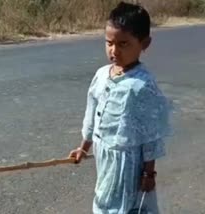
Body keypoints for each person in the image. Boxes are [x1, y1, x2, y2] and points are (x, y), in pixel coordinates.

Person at [69, 2, 172, 213]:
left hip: (127, 162)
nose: (114, 50)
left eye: (123, 44)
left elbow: (150, 134)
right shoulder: (101, 75)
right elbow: (92, 115)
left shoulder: (143, 85)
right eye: (109, 43)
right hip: (104, 155)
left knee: (123, 205)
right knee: (104, 198)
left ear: (144, 43)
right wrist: (83, 148)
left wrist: (148, 173)